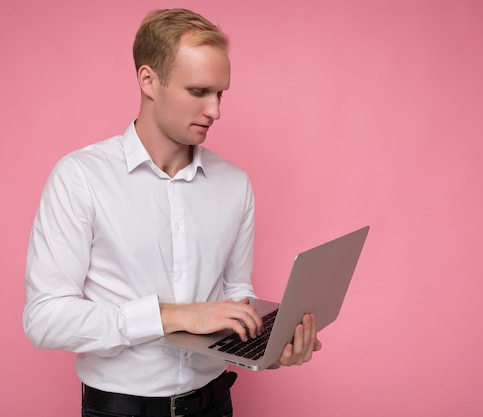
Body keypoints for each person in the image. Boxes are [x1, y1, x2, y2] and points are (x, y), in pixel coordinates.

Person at [23, 8, 322, 417]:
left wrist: (269, 346)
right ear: (148, 80)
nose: (216, 111)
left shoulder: (234, 184)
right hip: (120, 410)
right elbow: (45, 318)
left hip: (215, 403)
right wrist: (173, 316)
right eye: (199, 92)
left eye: (221, 93)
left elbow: (236, 292)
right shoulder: (81, 178)